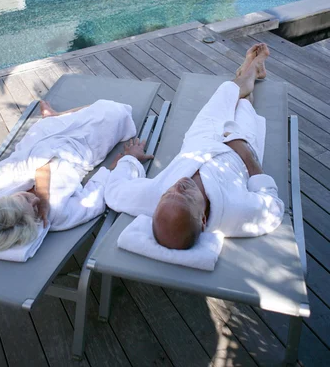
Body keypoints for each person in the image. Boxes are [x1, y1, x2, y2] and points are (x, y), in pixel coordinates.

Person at [104, 43, 285, 250]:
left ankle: (249, 72)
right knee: (244, 105)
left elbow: (114, 190)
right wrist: (243, 149)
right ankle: (251, 72)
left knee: (225, 93)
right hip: (239, 155)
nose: (178, 186)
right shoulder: (235, 213)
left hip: (200, 140)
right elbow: (273, 206)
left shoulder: (151, 200)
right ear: (203, 221)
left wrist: (131, 159)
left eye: (168, 193)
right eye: (186, 196)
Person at [0, 99, 153, 251]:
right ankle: (56, 116)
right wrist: (128, 160)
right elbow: (96, 197)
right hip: (78, 149)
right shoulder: (56, 216)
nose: (35, 203)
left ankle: (53, 116)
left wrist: (42, 195)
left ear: (3, 200)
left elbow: (40, 158)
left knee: (51, 124)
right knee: (117, 112)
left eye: (25, 199)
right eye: (34, 210)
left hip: (41, 137)